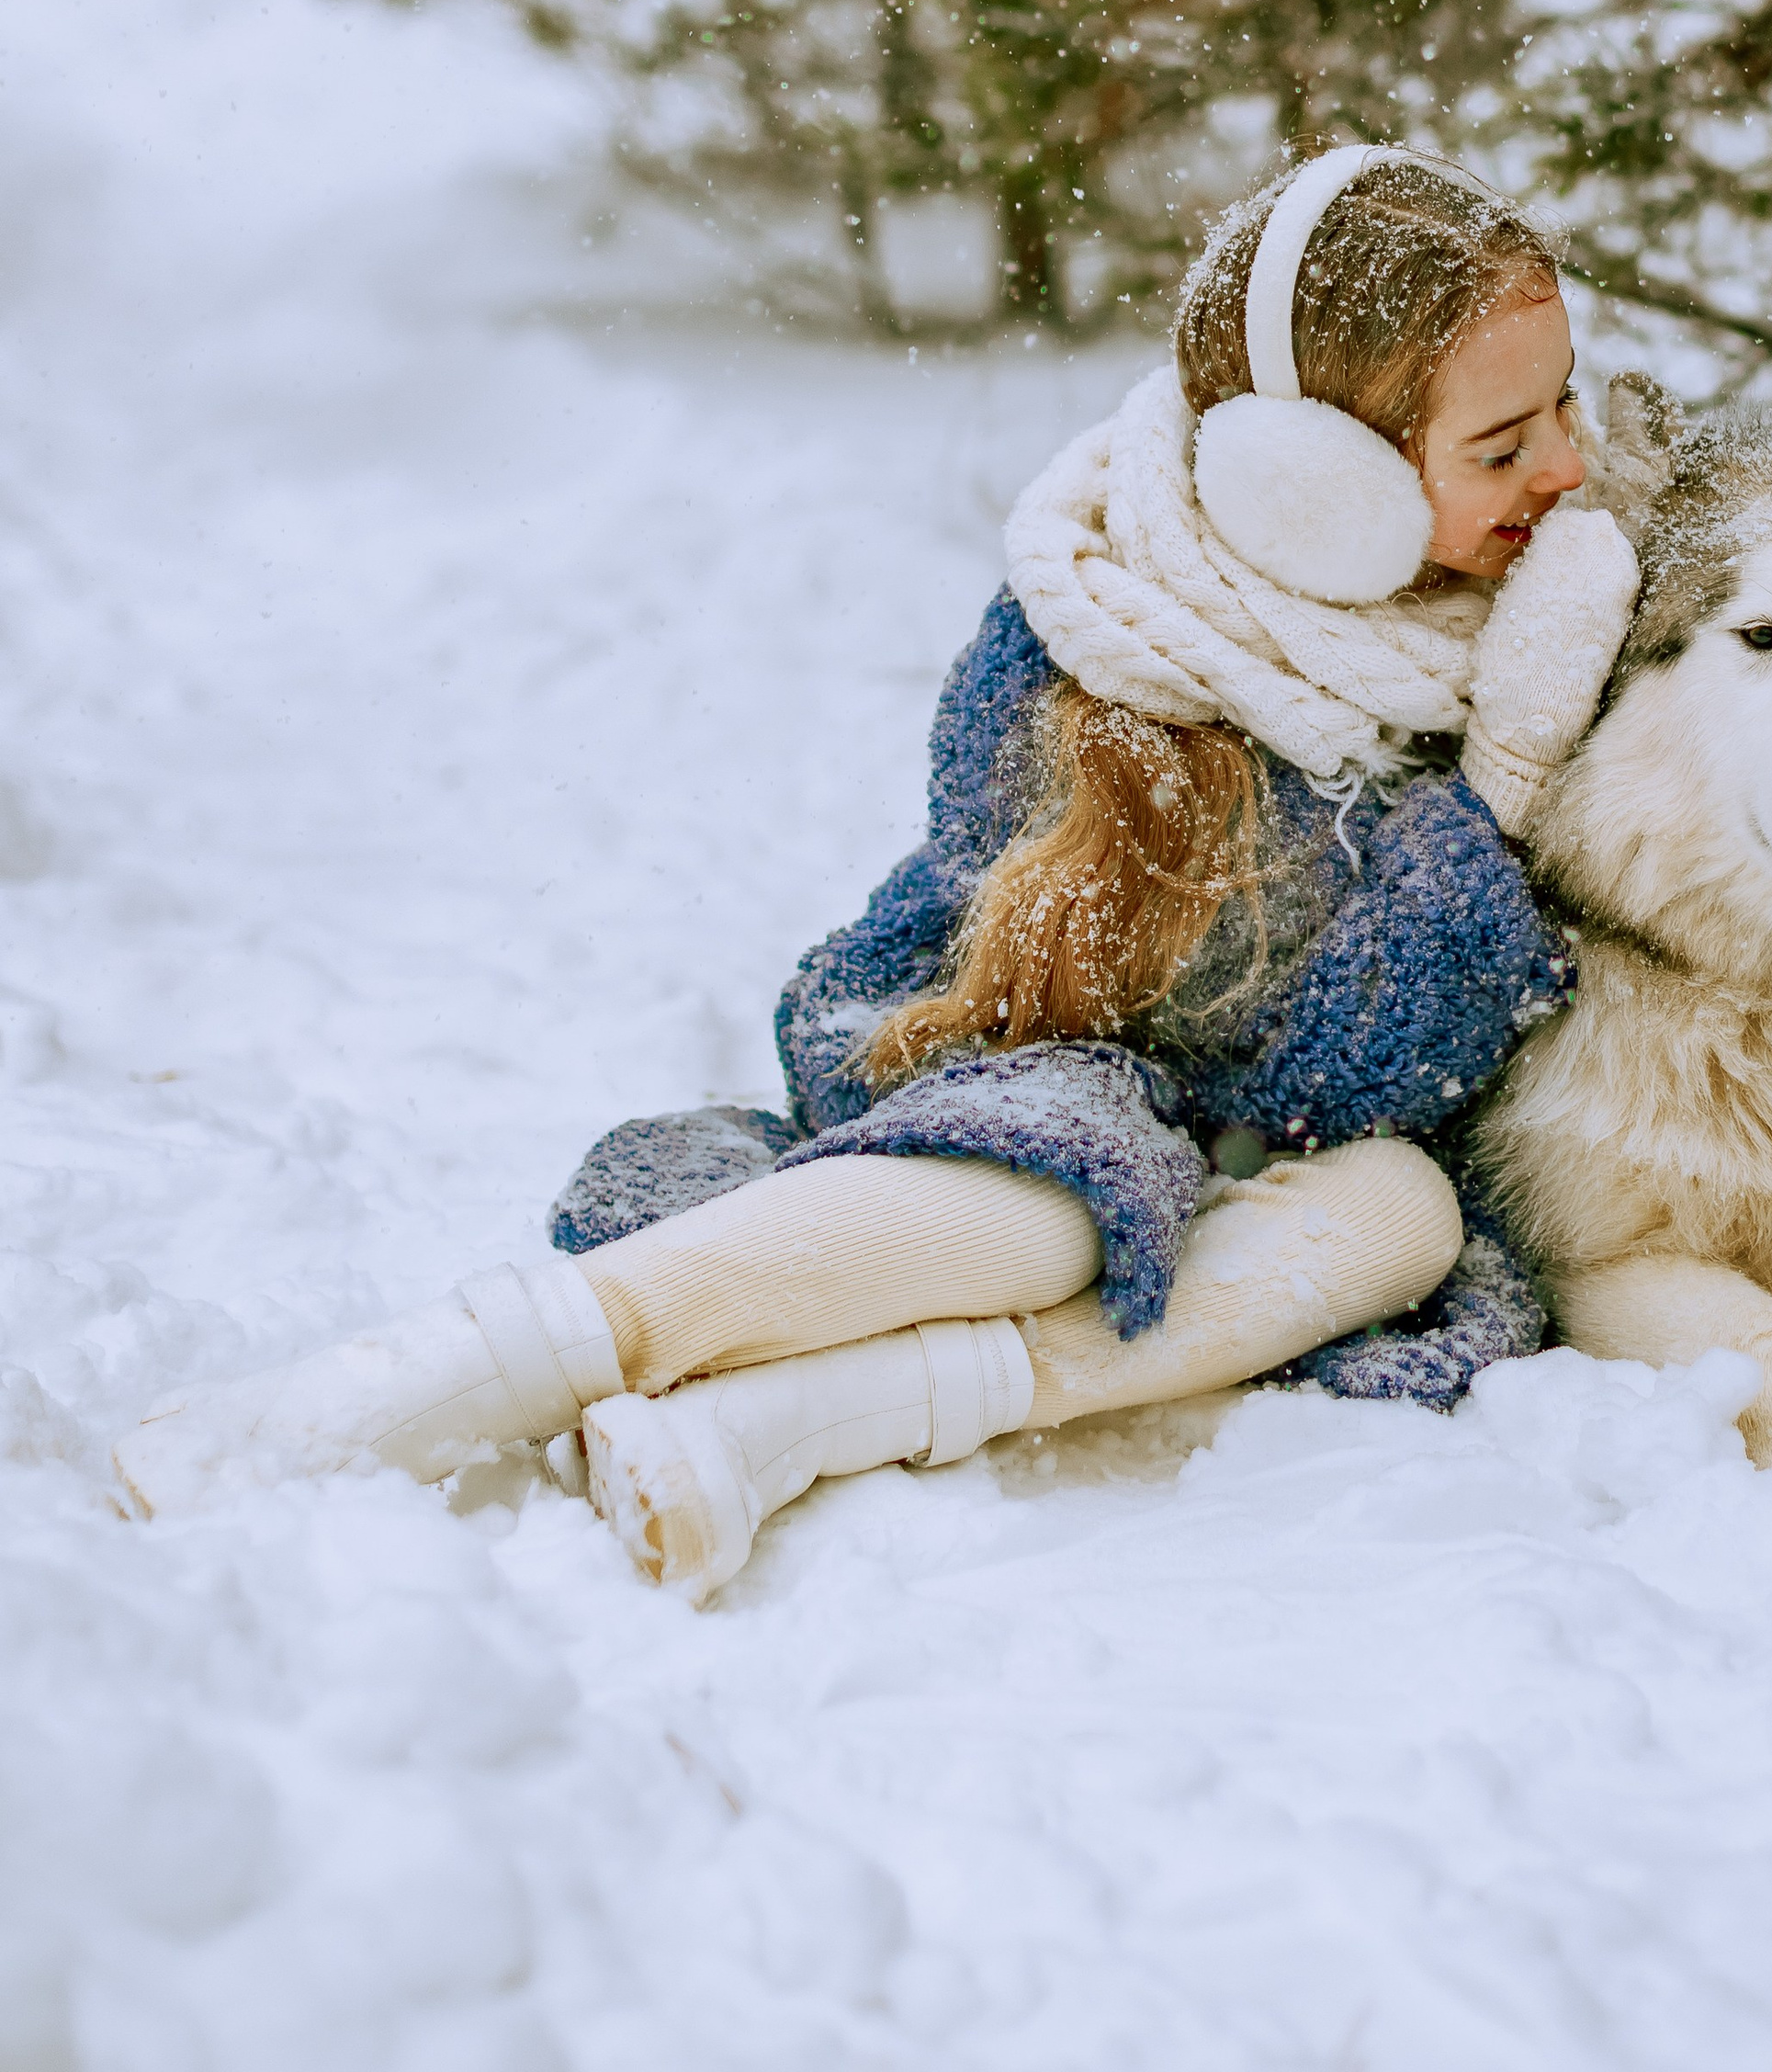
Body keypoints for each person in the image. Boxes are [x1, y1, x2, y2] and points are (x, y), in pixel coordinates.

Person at [116, 150, 1642, 1594]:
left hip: (1248, 1156)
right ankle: (415, 1382)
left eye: (1562, 402)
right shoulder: (1104, 634)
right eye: (1503, 447)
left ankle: (773, 1426)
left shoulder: (1524, 610)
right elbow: (1321, 1062)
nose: (1566, 470)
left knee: (1402, 1216)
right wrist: (1500, 783)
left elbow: (1356, 1124)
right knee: (1066, 1200)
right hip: (1014, 1056)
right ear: (1313, 480)